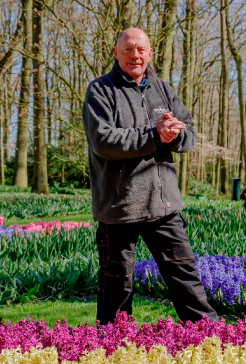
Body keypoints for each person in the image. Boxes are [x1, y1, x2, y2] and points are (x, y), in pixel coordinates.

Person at [82, 27, 219, 325]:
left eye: (141, 49)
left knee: (186, 280)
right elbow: (103, 141)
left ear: (150, 54)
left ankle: (211, 339)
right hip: (120, 207)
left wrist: (175, 136)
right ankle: (113, 349)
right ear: (116, 53)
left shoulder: (163, 89)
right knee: (116, 289)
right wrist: (155, 135)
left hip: (164, 205)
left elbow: (189, 131)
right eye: (128, 49)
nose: (135, 55)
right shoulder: (100, 91)